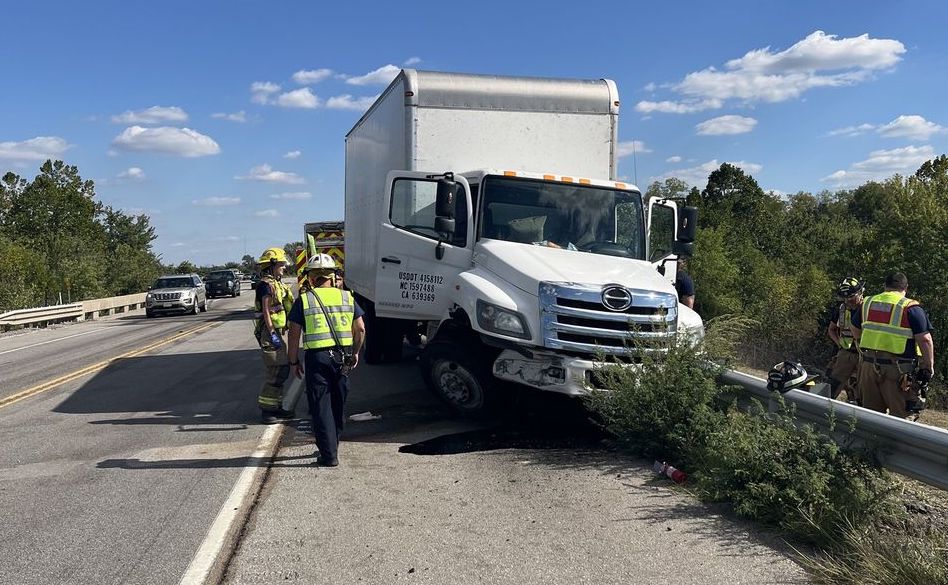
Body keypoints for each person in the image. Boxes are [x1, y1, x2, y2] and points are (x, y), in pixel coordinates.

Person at [287, 253, 366, 467]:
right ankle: (334, 444)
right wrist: (355, 352)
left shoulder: (304, 300)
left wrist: (293, 361)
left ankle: (329, 454)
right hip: (343, 359)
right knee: (338, 403)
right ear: (333, 276)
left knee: (321, 406)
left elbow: (293, 334)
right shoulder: (347, 297)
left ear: (311, 278)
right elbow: (360, 329)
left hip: (318, 359)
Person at [851, 272, 935, 418]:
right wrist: (928, 367)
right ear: (906, 288)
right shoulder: (910, 308)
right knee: (902, 418)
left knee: (871, 417)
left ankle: (871, 441)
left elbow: (855, 330)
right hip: (898, 371)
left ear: (885, 286)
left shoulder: (867, 303)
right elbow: (925, 340)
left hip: (868, 368)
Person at [254, 247, 296, 424]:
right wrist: (272, 334)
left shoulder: (277, 283)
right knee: (276, 371)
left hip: (278, 332)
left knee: (282, 369)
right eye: (281, 264)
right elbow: (266, 311)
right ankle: (267, 411)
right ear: (271, 266)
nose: (284, 267)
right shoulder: (265, 285)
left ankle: (276, 407)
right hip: (270, 333)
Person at [826, 277, 864, 404]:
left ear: (860, 293)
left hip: (863, 356)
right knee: (832, 386)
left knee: (859, 391)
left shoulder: (867, 309)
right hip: (845, 354)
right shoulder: (841, 309)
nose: (848, 301)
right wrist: (839, 344)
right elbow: (831, 330)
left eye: (851, 297)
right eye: (845, 298)